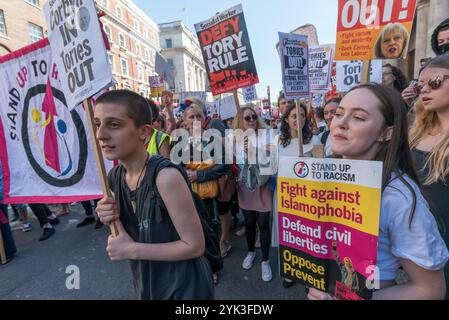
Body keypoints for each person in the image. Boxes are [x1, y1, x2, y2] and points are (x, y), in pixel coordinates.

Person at [307, 84, 448, 300]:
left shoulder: (398, 197)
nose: (340, 124)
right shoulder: (323, 175)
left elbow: (430, 289)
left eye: (359, 118)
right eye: (338, 114)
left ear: (386, 132)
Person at [94, 90, 213, 300]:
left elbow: (194, 246)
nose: (100, 134)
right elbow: (135, 229)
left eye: (113, 124)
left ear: (144, 132)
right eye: (97, 124)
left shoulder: (166, 178)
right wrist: (109, 216)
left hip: (184, 289)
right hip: (147, 283)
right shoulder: (114, 177)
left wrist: (132, 250)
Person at [409, 55, 449, 299]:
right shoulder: (414, 131)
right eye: (419, 84)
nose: (424, 89)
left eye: (433, 81)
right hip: (416, 246)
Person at [179, 101, 229, 284]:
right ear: (184, 121)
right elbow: (174, 168)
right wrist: (185, 173)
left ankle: (213, 267)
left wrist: (199, 175)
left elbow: (224, 165)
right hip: (185, 194)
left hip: (207, 196)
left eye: (198, 116)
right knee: (189, 232)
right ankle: (195, 265)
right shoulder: (180, 141)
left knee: (209, 230)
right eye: (191, 117)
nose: (195, 120)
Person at [272, 102, 321, 288]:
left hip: (307, 197)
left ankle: (309, 273)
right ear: (286, 119)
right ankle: (290, 271)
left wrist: (308, 162)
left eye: (302, 115)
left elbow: (321, 165)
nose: (298, 119)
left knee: (306, 235)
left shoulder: (315, 141)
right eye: (294, 116)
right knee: (289, 233)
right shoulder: (277, 141)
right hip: (286, 195)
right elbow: (272, 168)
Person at [233, 106, 274, 282]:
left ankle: (265, 260)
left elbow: (272, 160)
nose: (251, 120)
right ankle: (250, 252)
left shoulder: (266, 136)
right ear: (240, 121)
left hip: (262, 184)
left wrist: (254, 150)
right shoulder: (233, 139)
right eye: (247, 118)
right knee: (249, 222)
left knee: (263, 223)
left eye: (253, 117)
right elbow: (234, 165)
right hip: (244, 186)